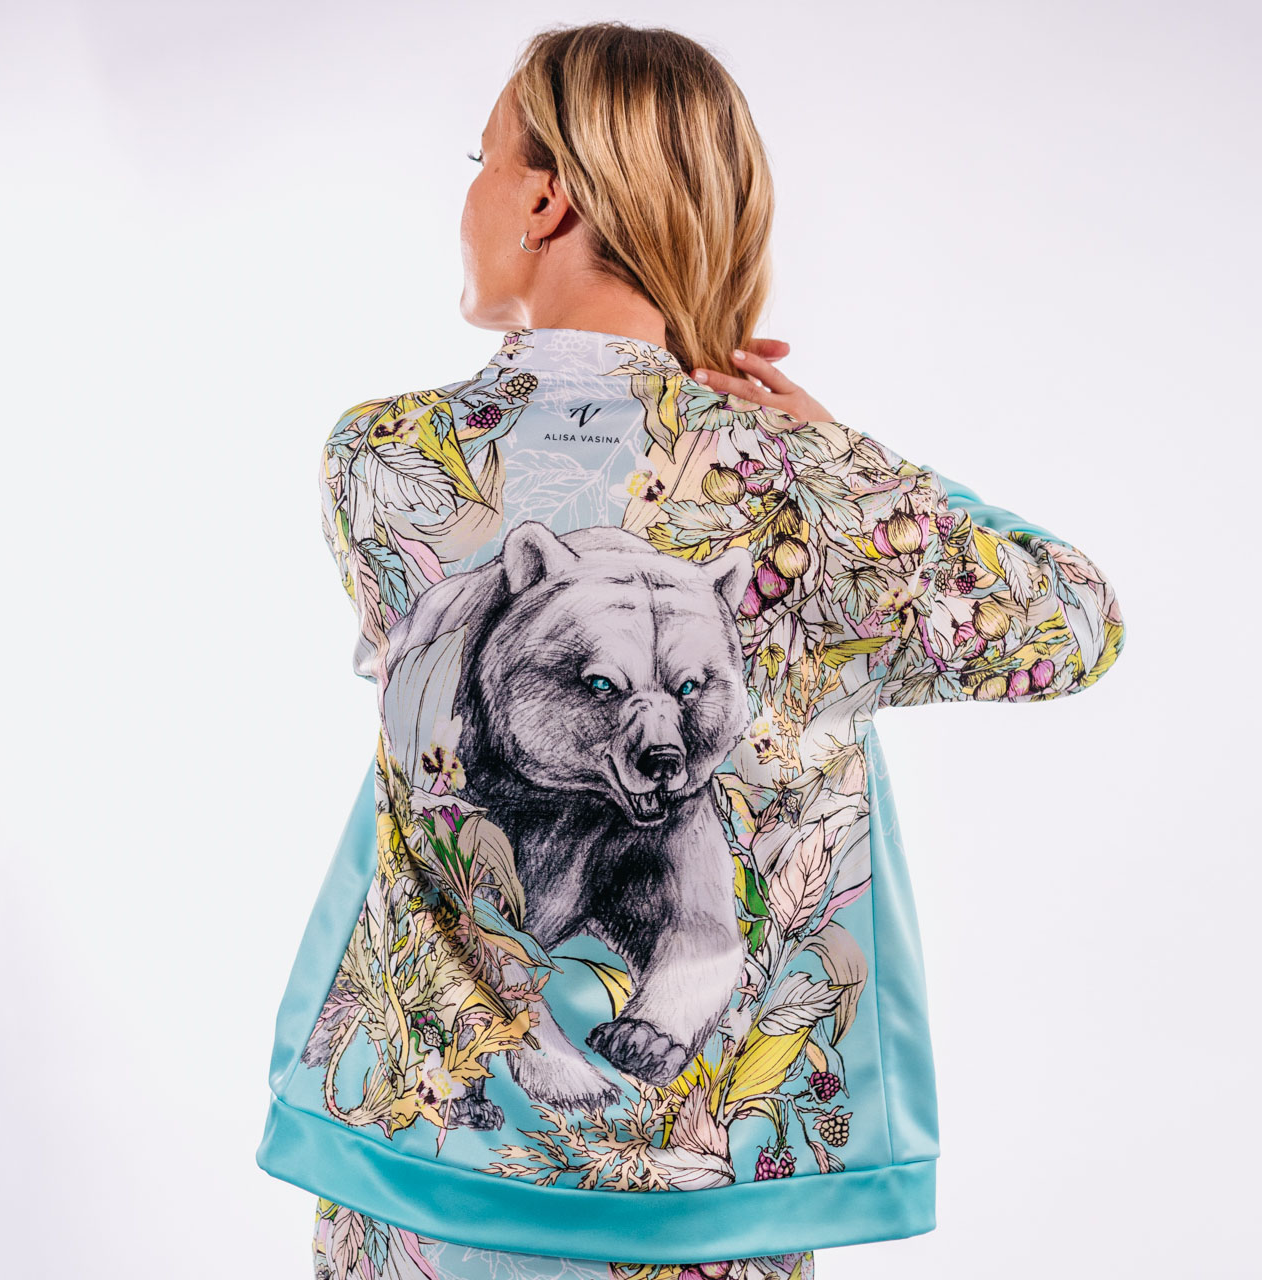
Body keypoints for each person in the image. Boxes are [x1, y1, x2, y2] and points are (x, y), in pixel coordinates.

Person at [254, 21, 1125, 1280]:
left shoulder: (382, 462)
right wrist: (849, 462)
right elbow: (1073, 620)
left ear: (543, 200)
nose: (470, 192)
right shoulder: (808, 493)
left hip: (421, 1167)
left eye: (481, 159)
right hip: (704, 1201)